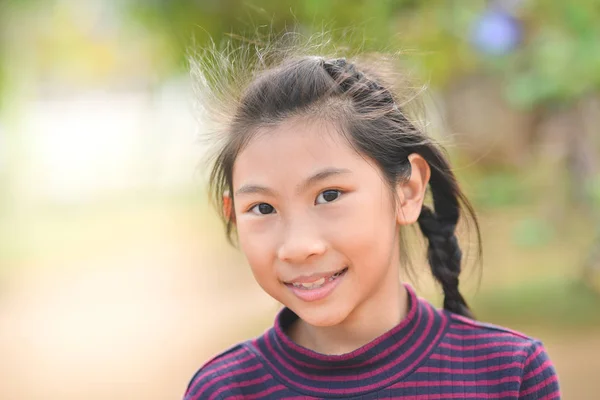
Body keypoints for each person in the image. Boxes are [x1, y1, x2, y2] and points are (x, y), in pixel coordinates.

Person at [183, 35, 560, 399]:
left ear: (408, 190)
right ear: (232, 214)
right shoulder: (224, 391)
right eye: (262, 208)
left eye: (329, 195)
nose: (298, 247)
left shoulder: (510, 375)